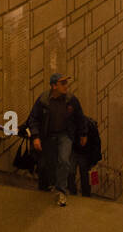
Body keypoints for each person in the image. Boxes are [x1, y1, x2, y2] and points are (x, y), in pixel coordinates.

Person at [26, 73, 87, 207]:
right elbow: (33, 119)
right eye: (62, 83)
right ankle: (49, 185)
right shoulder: (43, 100)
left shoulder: (71, 100)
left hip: (65, 135)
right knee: (49, 163)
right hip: (48, 136)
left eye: (66, 83)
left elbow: (80, 117)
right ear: (54, 86)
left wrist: (83, 134)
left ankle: (61, 191)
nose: (66, 86)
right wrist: (36, 137)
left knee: (64, 161)